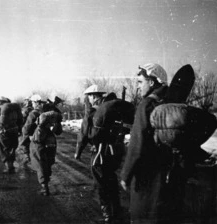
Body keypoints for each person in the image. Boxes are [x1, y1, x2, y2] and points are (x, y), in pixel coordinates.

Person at [120, 63, 183, 223]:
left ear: (153, 82)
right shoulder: (171, 102)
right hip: (168, 173)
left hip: (146, 175)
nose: (138, 87)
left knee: (142, 215)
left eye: (141, 82)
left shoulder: (146, 104)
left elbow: (137, 144)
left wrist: (126, 174)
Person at [74, 84, 124, 223]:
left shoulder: (92, 112)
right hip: (114, 151)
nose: (89, 99)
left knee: (101, 183)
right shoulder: (113, 108)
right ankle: (116, 209)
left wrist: (78, 152)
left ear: (94, 96)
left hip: (99, 152)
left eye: (89, 96)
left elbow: (83, 133)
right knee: (111, 179)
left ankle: (107, 211)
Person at [31, 110, 63, 196]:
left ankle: (44, 188)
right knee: (48, 162)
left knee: (40, 164)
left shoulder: (41, 127)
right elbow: (59, 132)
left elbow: (38, 139)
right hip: (51, 144)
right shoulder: (55, 122)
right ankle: (46, 182)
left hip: (40, 146)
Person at [0, 97, 22, 174]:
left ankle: (9, 167)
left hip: (4, 132)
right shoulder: (15, 108)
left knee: (4, 148)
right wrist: (19, 129)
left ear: (1, 102)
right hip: (14, 131)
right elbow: (20, 119)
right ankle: (11, 165)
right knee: (12, 148)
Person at [19, 94, 44, 164]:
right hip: (40, 131)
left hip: (31, 131)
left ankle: (27, 158)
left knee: (23, 144)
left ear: (36, 102)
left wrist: (23, 131)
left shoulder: (31, 112)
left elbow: (27, 125)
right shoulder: (42, 110)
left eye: (32, 102)